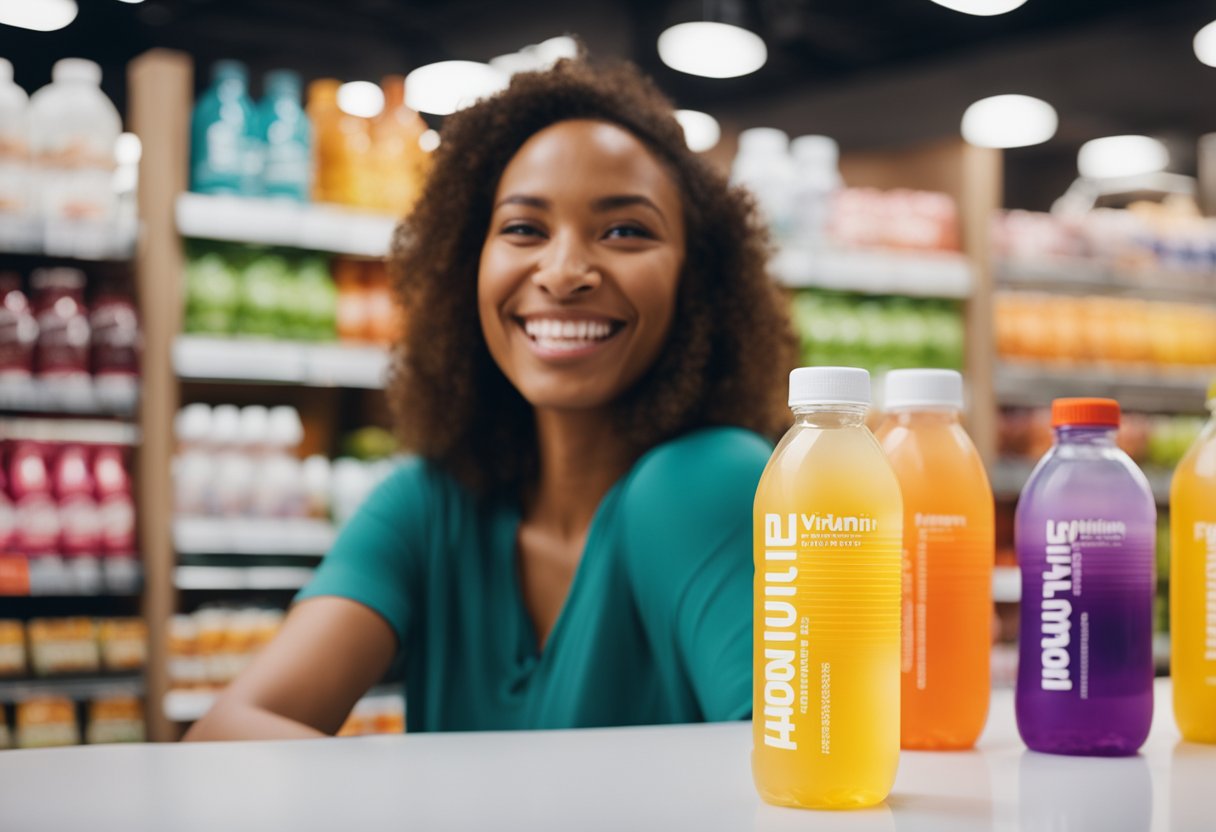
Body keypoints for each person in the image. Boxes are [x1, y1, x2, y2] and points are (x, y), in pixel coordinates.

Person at [185, 55, 796, 741]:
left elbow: (795, 775)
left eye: (625, 230)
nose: (564, 273)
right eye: (523, 229)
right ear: (463, 265)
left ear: (700, 282)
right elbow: (226, 733)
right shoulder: (429, 504)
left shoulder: (708, 483)